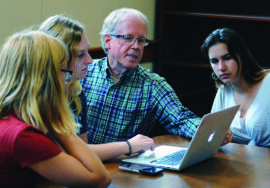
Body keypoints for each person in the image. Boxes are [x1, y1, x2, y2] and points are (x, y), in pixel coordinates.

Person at [81, 8, 233, 146]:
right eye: (128, 38)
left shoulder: (153, 85)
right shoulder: (83, 73)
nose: (136, 46)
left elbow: (182, 120)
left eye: (141, 40)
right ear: (108, 40)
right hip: (80, 165)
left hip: (123, 167)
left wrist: (212, 132)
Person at [0, 30, 111, 187]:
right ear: (46, 78)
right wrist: (59, 122)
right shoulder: (23, 136)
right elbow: (100, 179)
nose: (65, 81)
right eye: (64, 71)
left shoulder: (10, 119)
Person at [39, 14, 154, 161]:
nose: (89, 60)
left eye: (88, 51)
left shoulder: (75, 90)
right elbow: (74, 155)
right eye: (80, 55)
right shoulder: (41, 99)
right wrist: (127, 146)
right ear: (58, 58)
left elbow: (82, 151)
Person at [201, 27, 270, 156]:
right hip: (246, 164)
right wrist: (222, 137)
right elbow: (211, 135)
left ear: (242, 56)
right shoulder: (224, 90)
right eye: (214, 61)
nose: (221, 67)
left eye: (227, 58)